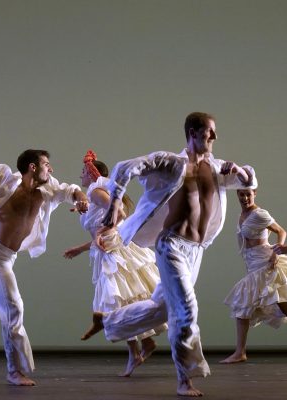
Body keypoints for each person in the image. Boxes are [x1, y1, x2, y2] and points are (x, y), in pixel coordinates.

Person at [81, 112, 256, 396]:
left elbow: (249, 180)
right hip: (171, 245)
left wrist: (240, 171)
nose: (214, 137)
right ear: (193, 132)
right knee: (186, 309)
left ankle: (109, 320)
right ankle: (184, 379)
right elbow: (125, 167)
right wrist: (114, 203)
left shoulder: (215, 167)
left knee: (161, 308)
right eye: (210, 132)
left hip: (196, 251)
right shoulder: (172, 163)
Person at [0, 149, 89, 386]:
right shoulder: (6, 178)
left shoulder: (47, 188)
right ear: (33, 167)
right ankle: (14, 370)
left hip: (7, 256)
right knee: (13, 307)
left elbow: (69, 190)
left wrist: (81, 198)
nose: (51, 168)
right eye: (47, 164)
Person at [63, 150, 165, 377]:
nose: (81, 176)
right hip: (109, 252)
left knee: (118, 300)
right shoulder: (93, 197)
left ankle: (134, 353)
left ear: (92, 174)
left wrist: (102, 230)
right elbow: (99, 232)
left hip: (116, 254)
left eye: (83, 172)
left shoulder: (97, 191)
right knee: (127, 298)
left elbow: (118, 214)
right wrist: (79, 249)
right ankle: (145, 344)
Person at [219, 188, 287, 364]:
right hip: (252, 265)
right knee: (243, 307)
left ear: (255, 193)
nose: (245, 197)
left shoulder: (259, 214)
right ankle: (240, 352)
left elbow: (281, 231)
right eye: (242, 194)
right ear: (238, 195)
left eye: (249, 194)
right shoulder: (243, 215)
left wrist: (276, 252)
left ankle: (240, 352)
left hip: (265, 263)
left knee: (281, 303)